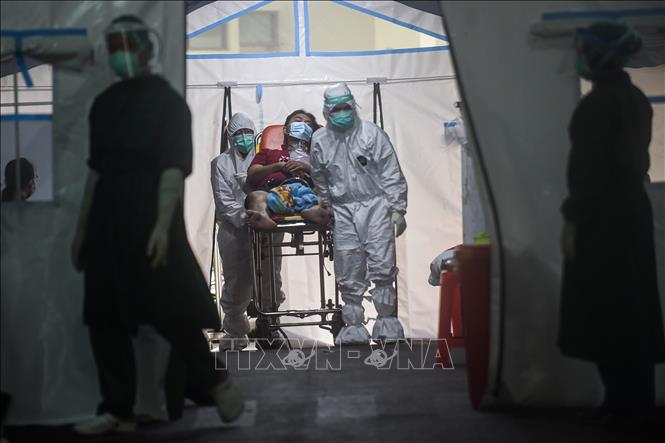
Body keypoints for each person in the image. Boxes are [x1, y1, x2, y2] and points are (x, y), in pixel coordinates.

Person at [69, 15, 243, 435]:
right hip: (107, 216)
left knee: (171, 309)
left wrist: (162, 226)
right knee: (104, 314)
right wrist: (82, 228)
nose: (120, 55)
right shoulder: (104, 104)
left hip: (150, 213)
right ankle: (117, 408)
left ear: (146, 51)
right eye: (114, 47)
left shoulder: (168, 104)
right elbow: (95, 171)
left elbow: (171, 170)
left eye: (127, 46)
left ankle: (215, 380)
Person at [559, 22, 665, 421]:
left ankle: (621, 402)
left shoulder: (597, 105)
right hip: (631, 214)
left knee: (606, 307)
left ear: (597, 55)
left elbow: (588, 174)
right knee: (633, 305)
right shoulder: (635, 98)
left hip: (603, 220)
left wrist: (573, 222)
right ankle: (635, 398)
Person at [310, 83, 408, 345]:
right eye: (336, 109)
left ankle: (387, 324)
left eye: (345, 107)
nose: (341, 113)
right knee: (348, 264)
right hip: (342, 210)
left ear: (353, 106)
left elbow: (390, 171)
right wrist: (326, 205)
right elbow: (319, 176)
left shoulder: (371, 134)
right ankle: (353, 327)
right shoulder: (320, 140)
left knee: (382, 263)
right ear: (327, 111)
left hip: (376, 206)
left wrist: (397, 208)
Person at [211, 112, 263, 350]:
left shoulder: (263, 159)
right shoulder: (220, 163)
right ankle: (235, 331)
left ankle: (268, 326)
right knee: (237, 279)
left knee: (269, 278)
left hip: (265, 228)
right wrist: (247, 217)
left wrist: (263, 217)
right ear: (231, 137)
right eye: (239, 133)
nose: (244, 137)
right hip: (234, 231)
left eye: (248, 132)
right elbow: (224, 201)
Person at [246, 109, 327, 231]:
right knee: (256, 196)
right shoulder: (269, 153)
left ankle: (317, 211)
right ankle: (262, 216)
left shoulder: (316, 157)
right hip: (274, 193)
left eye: (308, 124)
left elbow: (330, 179)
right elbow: (252, 175)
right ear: (285, 129)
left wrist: (307, 168)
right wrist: (278, 166)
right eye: (298, 121)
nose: (303, 125)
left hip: (309, 192)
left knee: (327, 194)